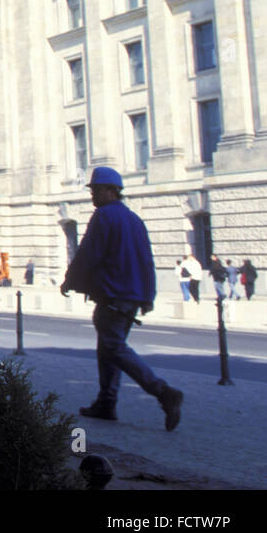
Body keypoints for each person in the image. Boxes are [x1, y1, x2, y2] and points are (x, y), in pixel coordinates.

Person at [61, 167, 183, 431]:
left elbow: (88, 254)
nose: (92, 195)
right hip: (131, 296)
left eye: (95, 190)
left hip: (112, 295)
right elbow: (147, 260)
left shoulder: (103, 216)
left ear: (110, 191)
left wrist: (70, 280)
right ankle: (106, 404)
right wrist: (148, 295)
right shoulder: (134, 219)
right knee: (108, 350)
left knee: (114, 348)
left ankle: (163, 392)